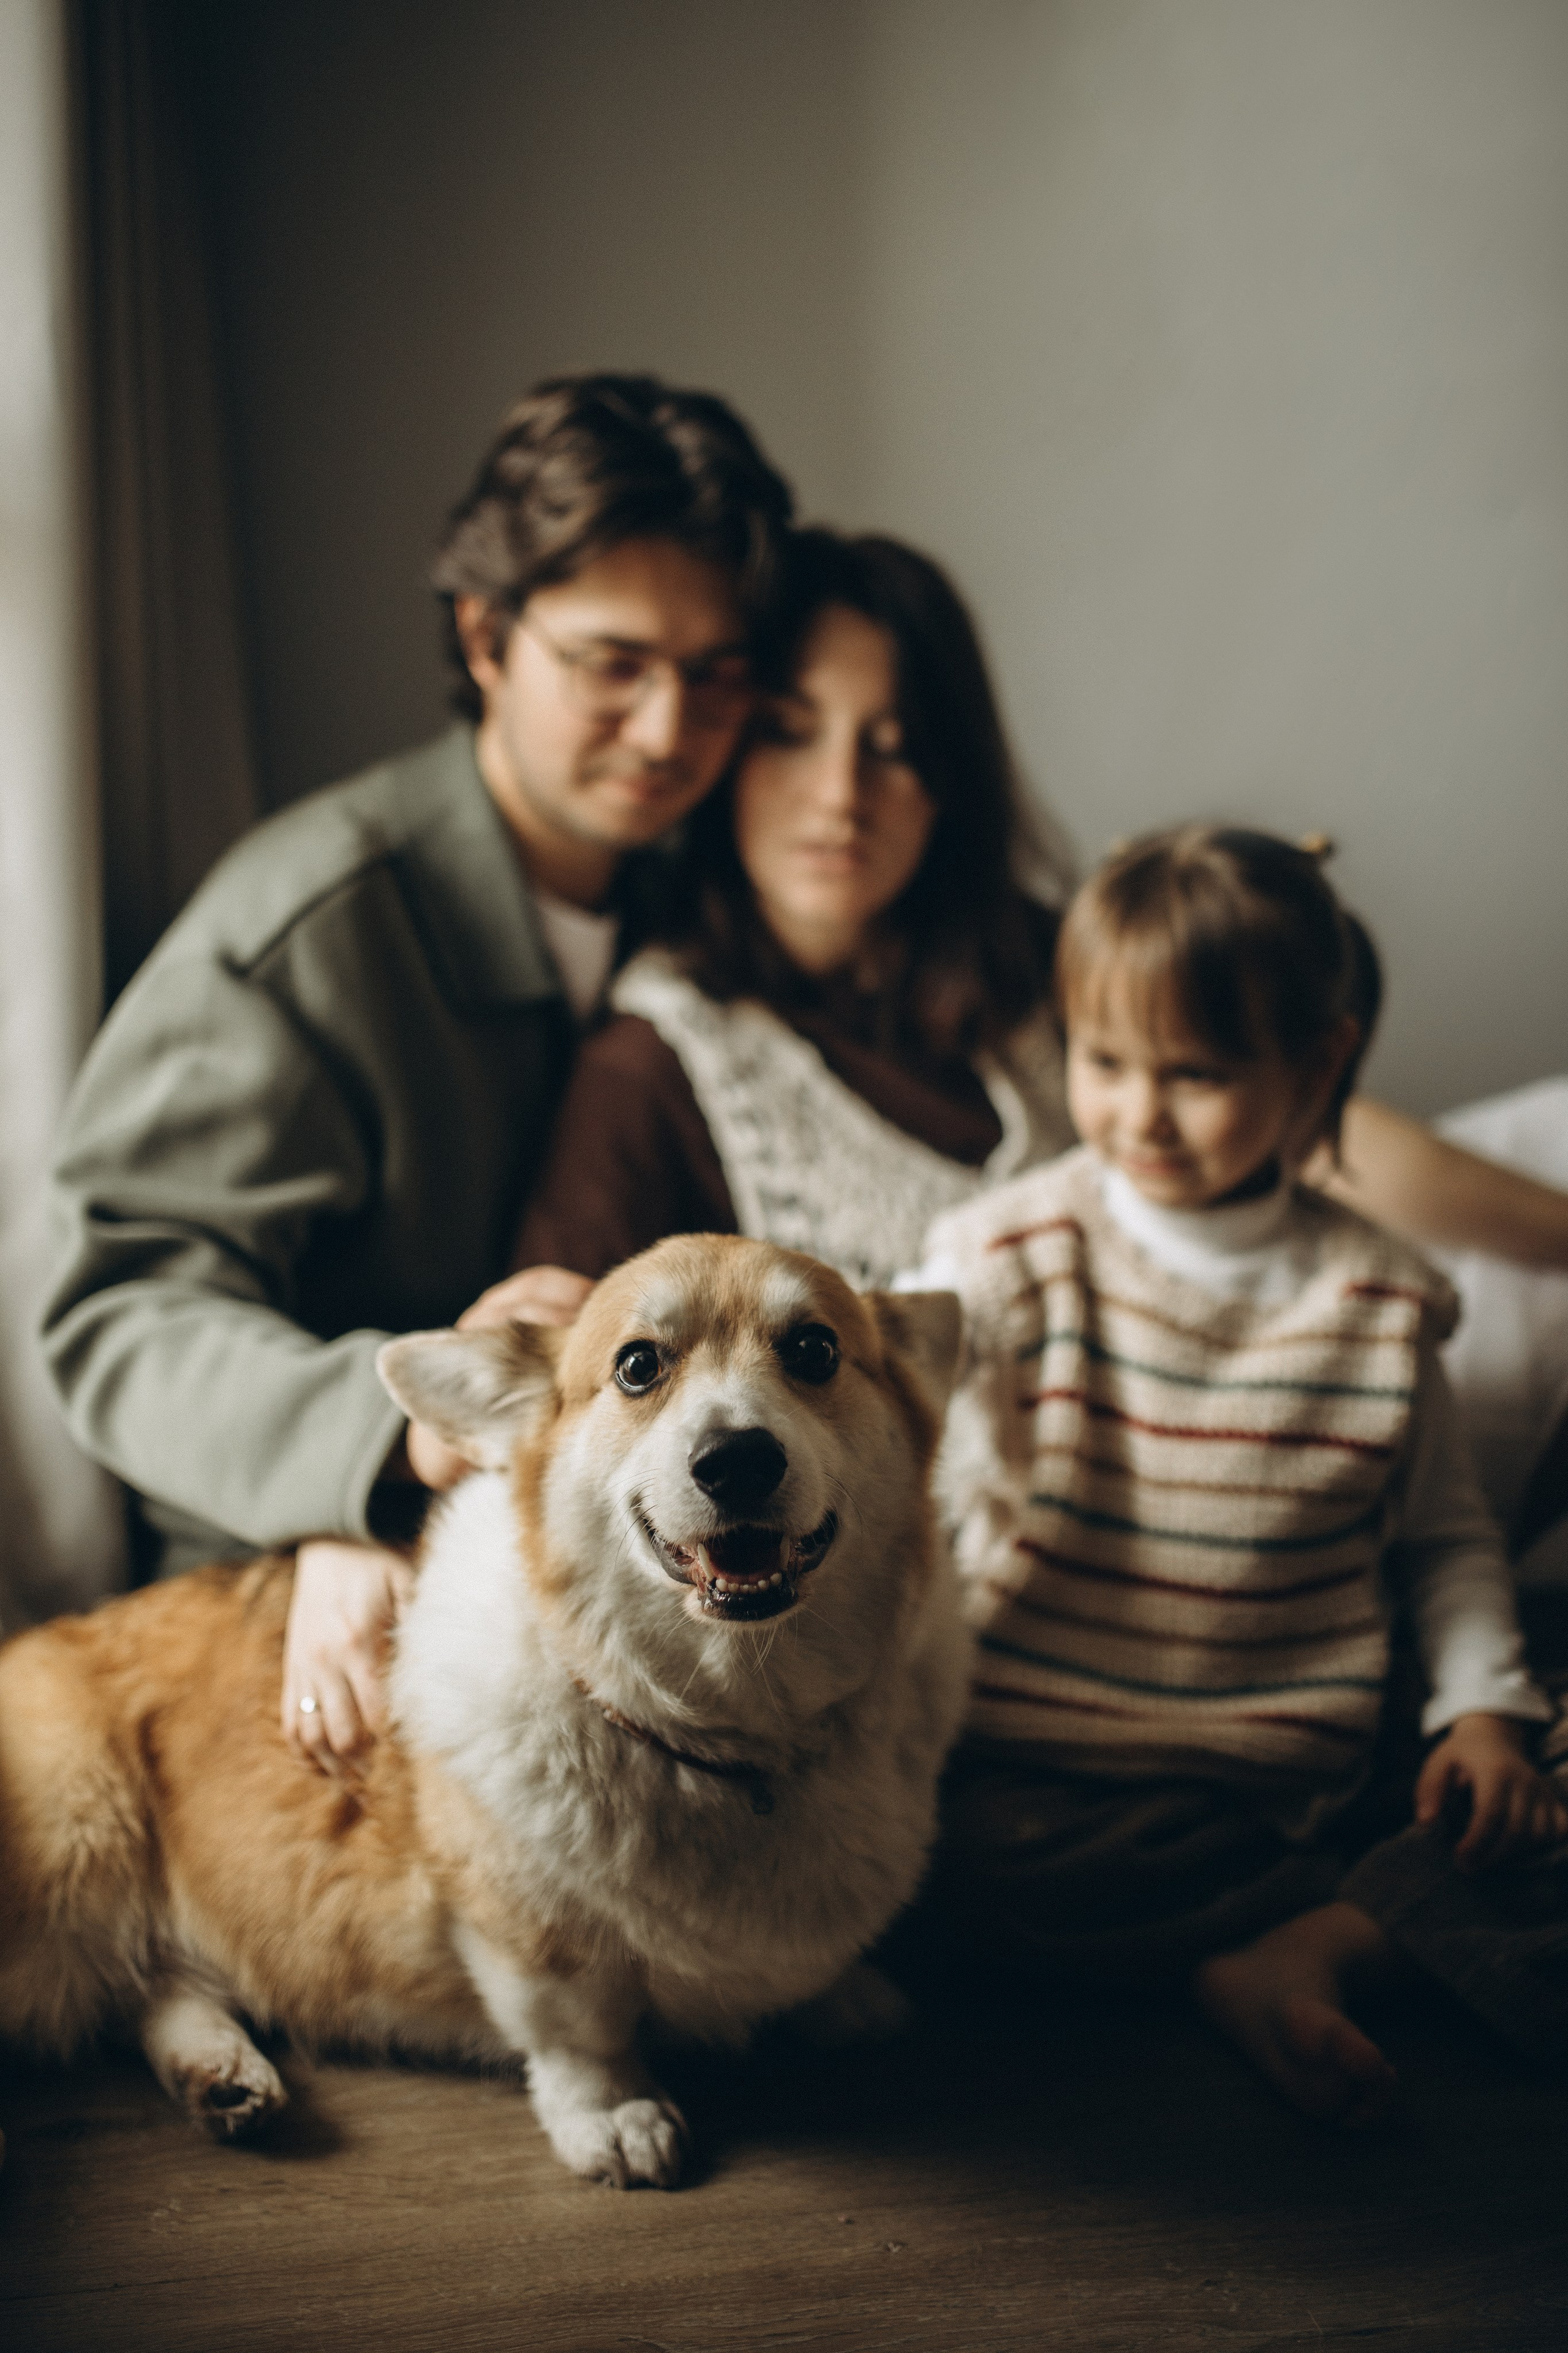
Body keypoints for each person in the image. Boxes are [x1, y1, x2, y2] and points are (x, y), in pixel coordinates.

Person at [40, 371, 794, 1773]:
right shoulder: (310, 929)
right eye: (611, 663)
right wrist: (376, 1467)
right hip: (300, 1589)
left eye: (715, 672)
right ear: (487, 635)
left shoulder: (707, 889)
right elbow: (116, 1308)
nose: (666, 727)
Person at [912, 826, 1568, 2121]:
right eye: (1103, 1062)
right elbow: (908, 1475)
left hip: (1297, 1779)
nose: (1137, 1114)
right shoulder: (1004, 1256)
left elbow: (1440, 1539)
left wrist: (1482, 1714)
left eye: (1195, 1073)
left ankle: (1309, 1945)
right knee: (950, 1865)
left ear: (1315, 1062)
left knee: (1530, 1800)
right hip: (1047, 1781)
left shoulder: (1378, 1299)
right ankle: (1349, 1932)